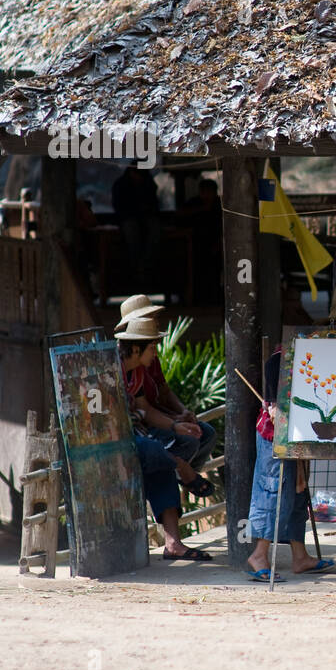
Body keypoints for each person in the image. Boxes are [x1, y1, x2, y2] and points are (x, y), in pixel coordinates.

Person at [117, 317, 212, 561]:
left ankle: (173, 545)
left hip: (137, 434)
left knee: (162, 461)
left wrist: (175, 425)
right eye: (152, 347)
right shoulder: (109, 368)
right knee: (156, 451)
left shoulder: (136, 372)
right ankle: (184, 470)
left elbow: (145, 409)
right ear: (136, 348)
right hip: (113, 440)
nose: (156, 352)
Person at [247, 346, 335, 581]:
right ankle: (259, 555)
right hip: (275, 434)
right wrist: (274, 403)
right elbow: (274, 364)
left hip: (299, 434)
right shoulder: (289, 350)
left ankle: (300, 557)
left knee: (297, 495)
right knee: (274, 492)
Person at [115, 294, 218, 472]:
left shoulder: (145, 361)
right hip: (135, 430)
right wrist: (173, 424)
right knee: (186, 442)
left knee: (206, 433)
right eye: (148, 319)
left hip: (152, 419)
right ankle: (176, 475)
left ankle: (183, 476)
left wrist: (180, 414)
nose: (155, 322)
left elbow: (158, 394)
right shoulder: (115, 365)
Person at [111, 165, 160, 289]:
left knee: (155, 229)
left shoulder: (148, 183)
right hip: (127, 219)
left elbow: (154, 204)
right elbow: (120, 207)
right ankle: (136, 268)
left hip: (146, 219)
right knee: (131, 232)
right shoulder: (121, 185)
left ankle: (146, 266)